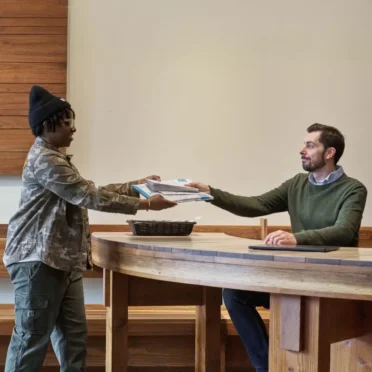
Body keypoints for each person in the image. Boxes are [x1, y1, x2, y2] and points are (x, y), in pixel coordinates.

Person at [3, 85, 177, 372]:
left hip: (65, 263)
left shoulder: (57, 159)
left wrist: (137, 187)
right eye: (68, 122)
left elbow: (88, 190)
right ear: (48, 124)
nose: (74, 129)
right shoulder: (45, 160)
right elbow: (88, 196)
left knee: (74, 341)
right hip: (38, 262)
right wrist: (146, 205)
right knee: (31, 340)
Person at [187, 123, 367, 372]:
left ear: (329, 153)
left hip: (332, 283)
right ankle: (268, 367)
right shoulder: (297, 184)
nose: (302, 150)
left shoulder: (353, 189)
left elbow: (344, 231)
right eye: (304, 144)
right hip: (295, 279)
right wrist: (210, 193)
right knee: (234, 294)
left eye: (310, 145)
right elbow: (256, 205)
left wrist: (297, 238)